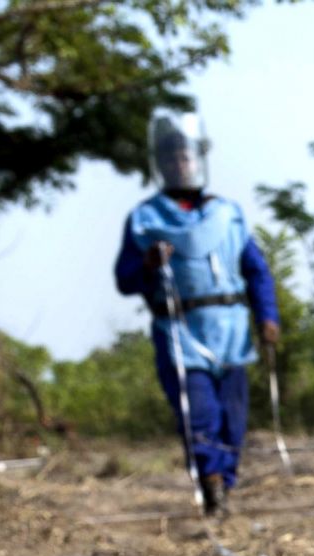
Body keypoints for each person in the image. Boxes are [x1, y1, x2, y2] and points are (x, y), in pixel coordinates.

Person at [115, 111, 279, 516]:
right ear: (161, 163)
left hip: (231, 332)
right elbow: (125, 278)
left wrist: (267, 316)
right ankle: (212, 483)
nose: (180, 165)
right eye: (171, 158)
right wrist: (149, 264)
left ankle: (226, 481)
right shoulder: (145, 219)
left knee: (233, 420)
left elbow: (256, 271)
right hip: (181, 335)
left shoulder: (227, 214)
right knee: (200, 414)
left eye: (185, 157)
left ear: (197, 159)